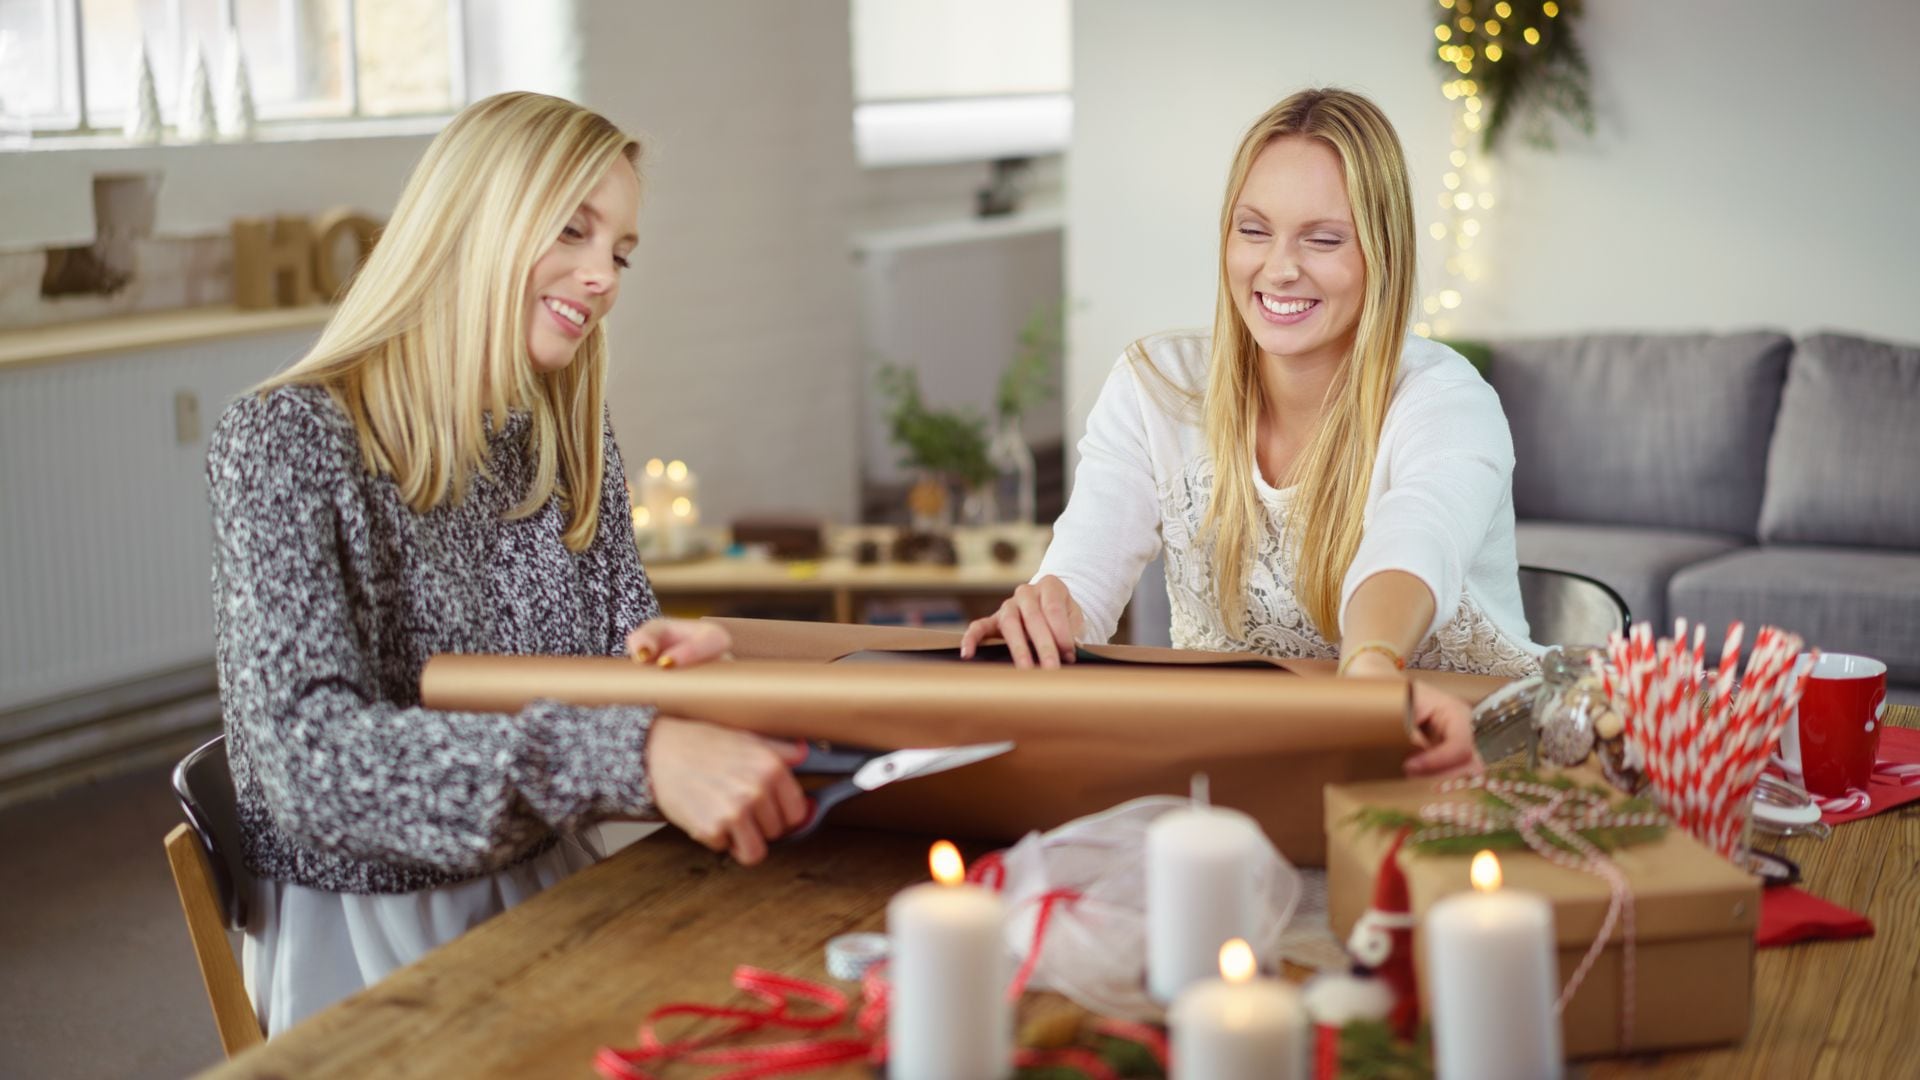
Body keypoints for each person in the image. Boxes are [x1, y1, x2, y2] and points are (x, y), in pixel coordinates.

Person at [207, 92, 807, 1033]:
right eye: (573, 229)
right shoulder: (286, 440)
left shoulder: (559, 429)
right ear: (473, 223)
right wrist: (636, 744)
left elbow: (613, 665)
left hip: (550, 882)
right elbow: (310, 767)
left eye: (620, 251)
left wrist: (669, 676)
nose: (602, 275)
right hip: (376, 943)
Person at [959, 88, 1541, 776]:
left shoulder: (1446, 401)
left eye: (1323, 239)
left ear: (1382, 253)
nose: (1280, 267)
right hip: (1246, 765)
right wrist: (1046, 614)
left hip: (1457, 761)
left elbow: (1414, 543)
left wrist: (1371, 668)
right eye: (1254, 230)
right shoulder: (1154, 387)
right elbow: (1081, 581)